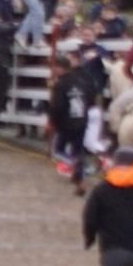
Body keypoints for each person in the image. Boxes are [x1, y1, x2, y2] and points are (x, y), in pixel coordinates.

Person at [50, 53, 94, 195]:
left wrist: (53, 122)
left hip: (67, 122)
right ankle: (79, 175)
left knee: (58, 150)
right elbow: (90, 98)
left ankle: (78, 166)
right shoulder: (80, 81)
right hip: (82, 120)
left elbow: (58, 106)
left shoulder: (61, 84)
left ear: (59, 68)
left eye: (54, 67)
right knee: (78, 149)